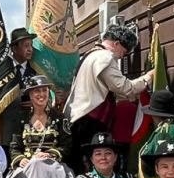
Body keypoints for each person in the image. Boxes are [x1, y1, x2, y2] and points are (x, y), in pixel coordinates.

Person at [66, 21, 153, 169]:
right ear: (117, 44)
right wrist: (147, 78)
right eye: (124, 53)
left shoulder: (89, 55)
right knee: (91, 165)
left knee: (80, 163)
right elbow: (124, 88)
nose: (121, 57)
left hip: (79, 118)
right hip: (90, 119)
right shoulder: (104, 58)